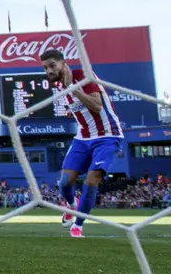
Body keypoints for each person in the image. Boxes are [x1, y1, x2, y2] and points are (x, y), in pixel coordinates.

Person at [40, 48, 123, 238]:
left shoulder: (83, 76)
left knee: (91, 180)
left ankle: (77, 226)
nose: (49, 71)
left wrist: (74, 89)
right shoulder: (60, 87)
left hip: (107, 136)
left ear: (63, 63)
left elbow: (97, 105)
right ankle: (72, 205)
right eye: (45, 68)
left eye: (52, 66)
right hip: (82, 139)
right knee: (64, 183)